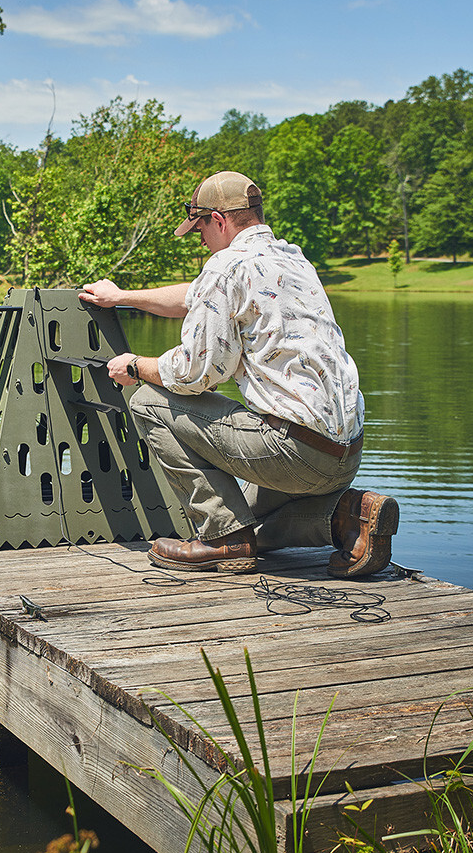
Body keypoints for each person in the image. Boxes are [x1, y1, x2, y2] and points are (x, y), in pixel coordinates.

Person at [78, 170, 398, 577]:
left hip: (290, 452)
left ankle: (220, 539)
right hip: (343, 454)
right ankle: (350, 515)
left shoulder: (227, 266)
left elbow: (196, 374)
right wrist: (123, 297)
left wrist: (136, 366)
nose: (199, 239)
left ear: (218, 219)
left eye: (199, 228)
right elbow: (197, 294)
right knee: (249, 520)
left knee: (147, 401)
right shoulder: (292, 259)